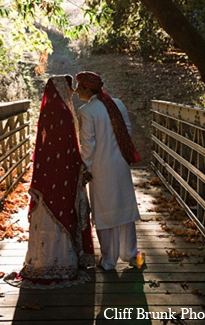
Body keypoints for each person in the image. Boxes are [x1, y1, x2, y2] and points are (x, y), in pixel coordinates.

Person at [16, 74, 95, 287]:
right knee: (63, 207)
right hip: (63, 171)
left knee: (48, 209)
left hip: (48, 172)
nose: (72, 91)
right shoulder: (63, 111)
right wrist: (81, 166)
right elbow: (69, 145)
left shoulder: (48, 109)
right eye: (70, 86)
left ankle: (41, 261)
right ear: (62, 86)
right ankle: (63, 262)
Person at [75, 71, 144, 271]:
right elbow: (127, 131)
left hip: (100, 167)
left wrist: (85, 168)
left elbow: (88, 145)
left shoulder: (87, 111)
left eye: (79, 86)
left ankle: (109, 261)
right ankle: (133, 256)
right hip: (120, 164)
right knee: (124, 211)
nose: (76, 91)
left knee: (105, 213)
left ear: (88, 88)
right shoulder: (117, 104)